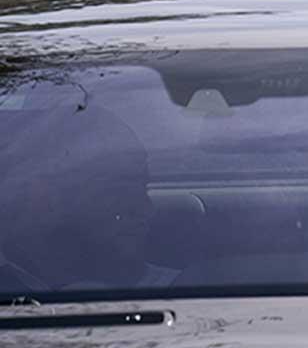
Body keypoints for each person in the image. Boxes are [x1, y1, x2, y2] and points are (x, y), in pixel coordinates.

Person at [0, 106, 176, 292]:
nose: (147, 210)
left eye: (141, 189)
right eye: (121, 192)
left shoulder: (185, 291)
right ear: (44, 194)